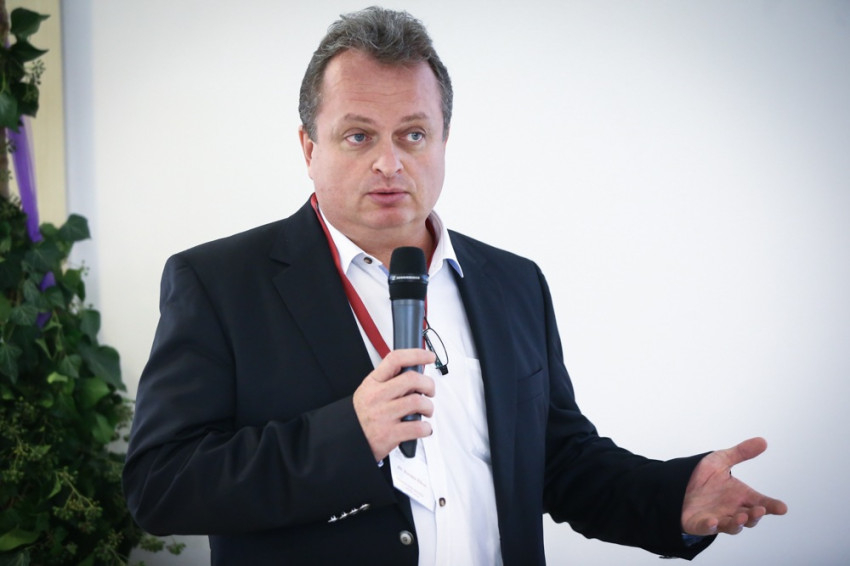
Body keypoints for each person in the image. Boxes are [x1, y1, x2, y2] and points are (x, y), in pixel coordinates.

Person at [122, 7, 786, 565]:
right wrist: (349, 437)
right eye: (358, 136)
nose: (389, 162)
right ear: (308, 147)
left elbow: (559, 461)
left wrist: (671, 497)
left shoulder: (514, 283)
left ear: (443, 140)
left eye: (413, 134)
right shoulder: (220, 283)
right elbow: (160, 486)